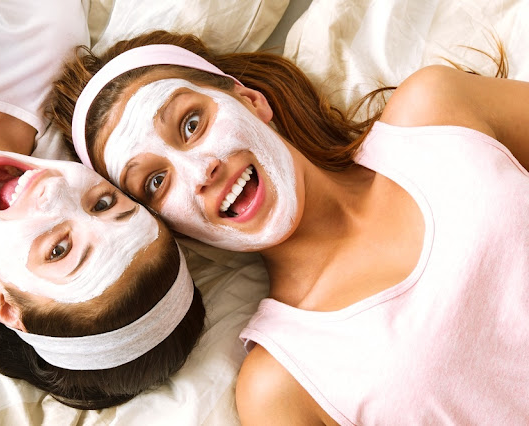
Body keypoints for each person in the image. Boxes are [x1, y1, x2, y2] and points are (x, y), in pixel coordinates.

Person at [47, 30, 529, 423]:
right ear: (169, 225)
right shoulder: (280, 385)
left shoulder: (436, 113)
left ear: (250, 100)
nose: (200, 172)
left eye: (191, 124)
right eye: (156, 181)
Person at [0, 3, 204, 410]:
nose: (55, 191)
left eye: (59, 249)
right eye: (103, 203)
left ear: (6, 307)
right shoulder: (42, 43)